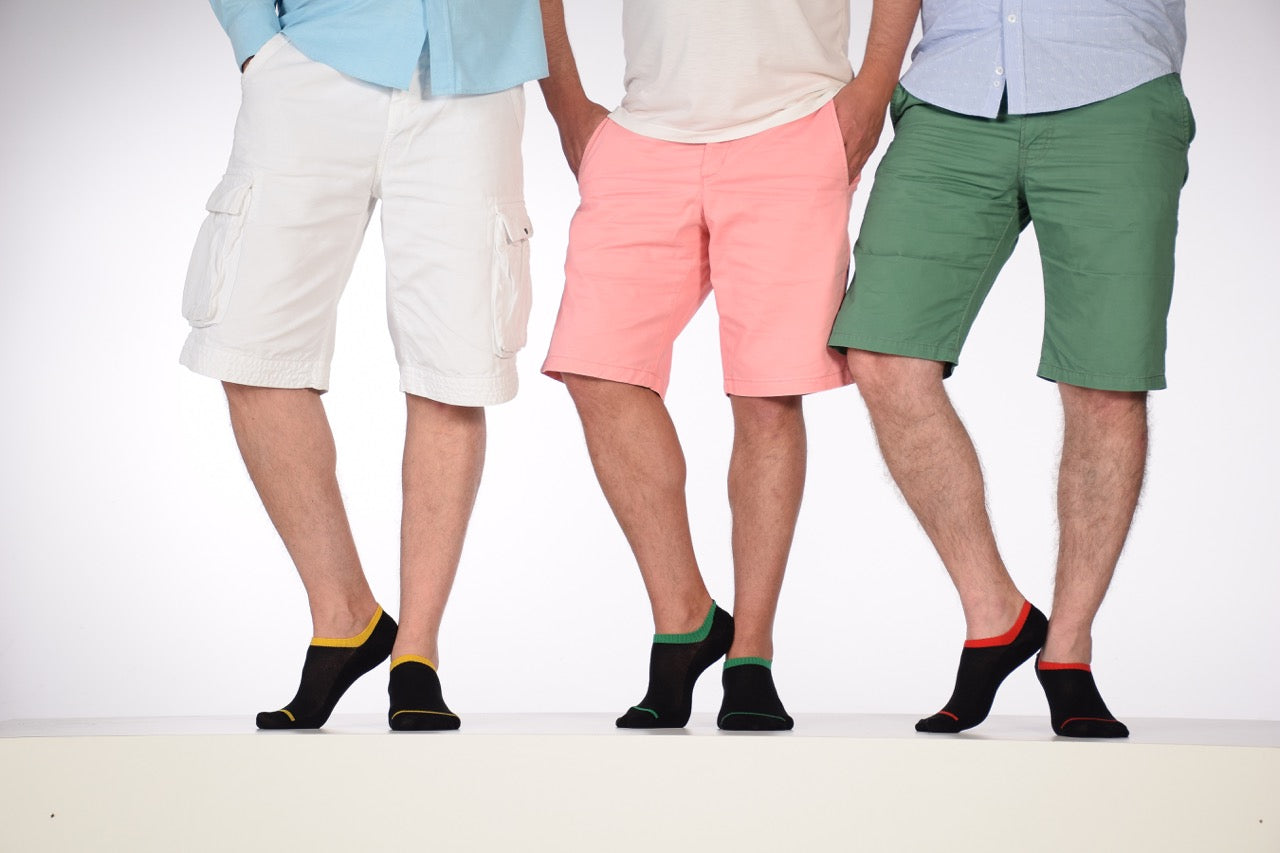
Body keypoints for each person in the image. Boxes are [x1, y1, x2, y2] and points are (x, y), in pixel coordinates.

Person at [537, 0, 919, 729]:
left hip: (795, 121)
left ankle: (751, 653)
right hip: (645, 131)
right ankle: (684, 617)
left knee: (768, 391)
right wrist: (568, 109)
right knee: (595, 363)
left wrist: (869, 95)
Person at [829, 1, 1193, 737]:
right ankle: (994, 613)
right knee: (881, 351)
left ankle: (1069, 650)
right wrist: (871, 86)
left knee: (1103, 377)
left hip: (1112, 84)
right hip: (953, 88)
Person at [180, 0, 547, 731]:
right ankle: (344, 612)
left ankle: (417, 653)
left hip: (473, 73)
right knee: (249, 343)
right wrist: (258, 44)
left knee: (455, 366)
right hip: (313, 55)